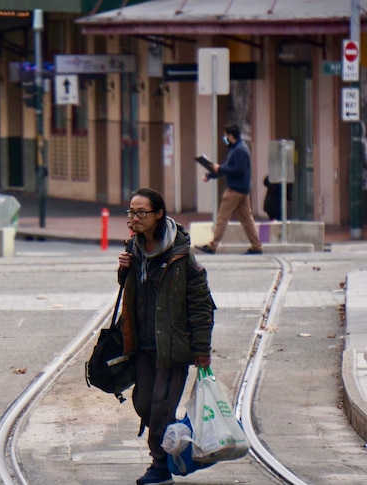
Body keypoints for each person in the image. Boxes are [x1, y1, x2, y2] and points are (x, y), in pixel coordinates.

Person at [117, 188, 215, 485]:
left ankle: (160, 467)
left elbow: (201, 305)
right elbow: (133, 294)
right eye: (131, 212)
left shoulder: (181, 255)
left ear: (159, 214)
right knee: (145, 403)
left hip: (173, 346)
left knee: (161, 407)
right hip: (144, 345)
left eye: (141, 213)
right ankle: (177, 443)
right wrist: (124, 272)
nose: (134, 219)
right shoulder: (133, 249)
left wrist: (202, 349)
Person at [197, 124, 263, 255]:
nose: (225, 138)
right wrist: (211, 175)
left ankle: (212, 246)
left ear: (231, 136)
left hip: (235, 190)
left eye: (226, 136)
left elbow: (238, 170)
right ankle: (257, 246)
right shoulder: (236, 148)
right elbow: (226, 167)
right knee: (247, 220)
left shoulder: (240, 150)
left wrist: (220, 169)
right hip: (242, 189)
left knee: (222, 218)